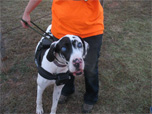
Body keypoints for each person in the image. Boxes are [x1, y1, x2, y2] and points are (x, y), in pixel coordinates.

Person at [21, 0, 104, 113]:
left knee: (90, 67)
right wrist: (27, 12)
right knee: (63, 64)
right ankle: (67, 89)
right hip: (61, 29)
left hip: (90, 30)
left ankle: (91, 97)